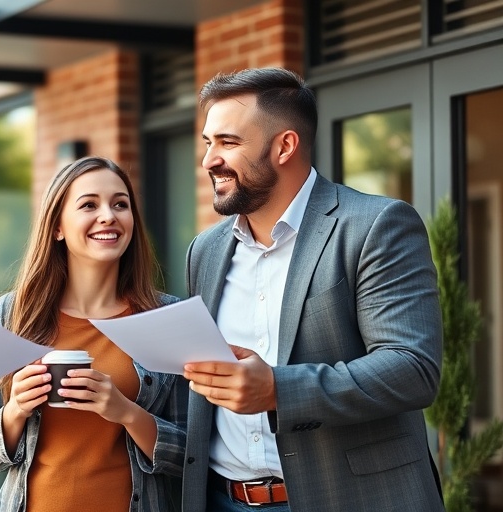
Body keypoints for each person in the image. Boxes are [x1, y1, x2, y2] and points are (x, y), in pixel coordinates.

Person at [181, 67, 444, 511]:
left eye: (228, 142)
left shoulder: (376, 225)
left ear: (285, 145)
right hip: (221, 498)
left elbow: (412, 368)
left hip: (349, 498)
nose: (209, 160)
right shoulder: (204, 250)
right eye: (208, 143)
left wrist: (278, 391)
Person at [0, 156, 188, 511]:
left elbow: (191, 455)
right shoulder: (13, 314)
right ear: (57, 226)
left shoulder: (166, 318)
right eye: (89, 204)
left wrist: (125, 411)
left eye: (121, 204)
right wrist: (16, 409)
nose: (108, 215)